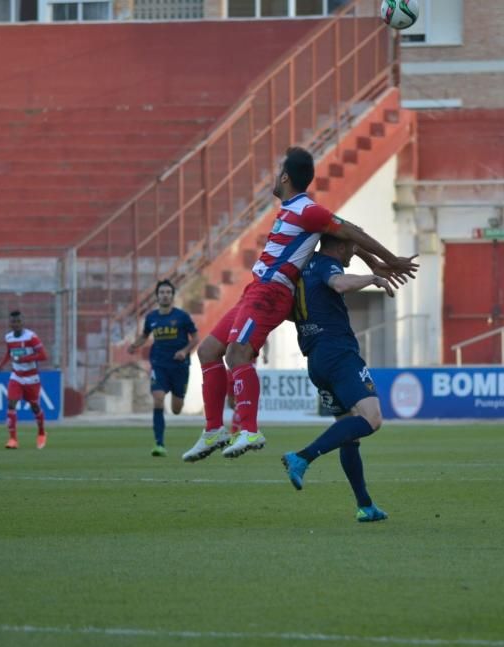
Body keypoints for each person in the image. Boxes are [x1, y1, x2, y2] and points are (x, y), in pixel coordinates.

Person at [185, 146, 418, 461]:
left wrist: (385, 261)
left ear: (284, 176)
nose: (274, 176)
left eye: (278, 170)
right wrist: (372, 261)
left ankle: (249, 430)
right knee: (208, 350)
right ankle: (213, 430)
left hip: (271, 292)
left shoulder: (308, 210)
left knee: (237, 352)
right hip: (255, 289)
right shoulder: (293, 211)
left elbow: (350, 231)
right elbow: (342, 234)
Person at [280, 234, 396, 522]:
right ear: (340, 245)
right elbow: (339, 283)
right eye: (352, 248)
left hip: (316, 360)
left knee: (348, 432)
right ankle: (302, 457)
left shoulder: (300, 270)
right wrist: (373, 279)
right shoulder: (326, 265)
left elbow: (291, 313)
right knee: (372, 419)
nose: (353, 253)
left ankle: (365, 506)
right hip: (338, 354)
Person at [128, 280, 199, 457]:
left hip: (180, 367)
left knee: (176, 409)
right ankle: (159, 444)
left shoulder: (182, 317)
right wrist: (134, 345)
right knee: (158, 399)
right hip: (159, 364)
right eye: (162, 292)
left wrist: (184, 351)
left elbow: (196, 338)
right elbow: (145, 335)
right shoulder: (151, 318)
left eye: (168, 292)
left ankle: (177, 400)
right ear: (157, 296)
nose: (165, 295)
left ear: (172, 296)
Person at [0, 310, 48, 450]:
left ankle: (42, 432)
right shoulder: (8, 337)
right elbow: (10, 352)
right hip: (17, 376)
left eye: (19, 321)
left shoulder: (31, 337)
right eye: (14, 322)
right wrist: (2, 363)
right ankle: (13, 439)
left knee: (34, 407)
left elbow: (43, 356)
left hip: (32, 378)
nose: (16, 324)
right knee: (11, 404)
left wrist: (25, 359)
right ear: (10, 323)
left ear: (22, 322)